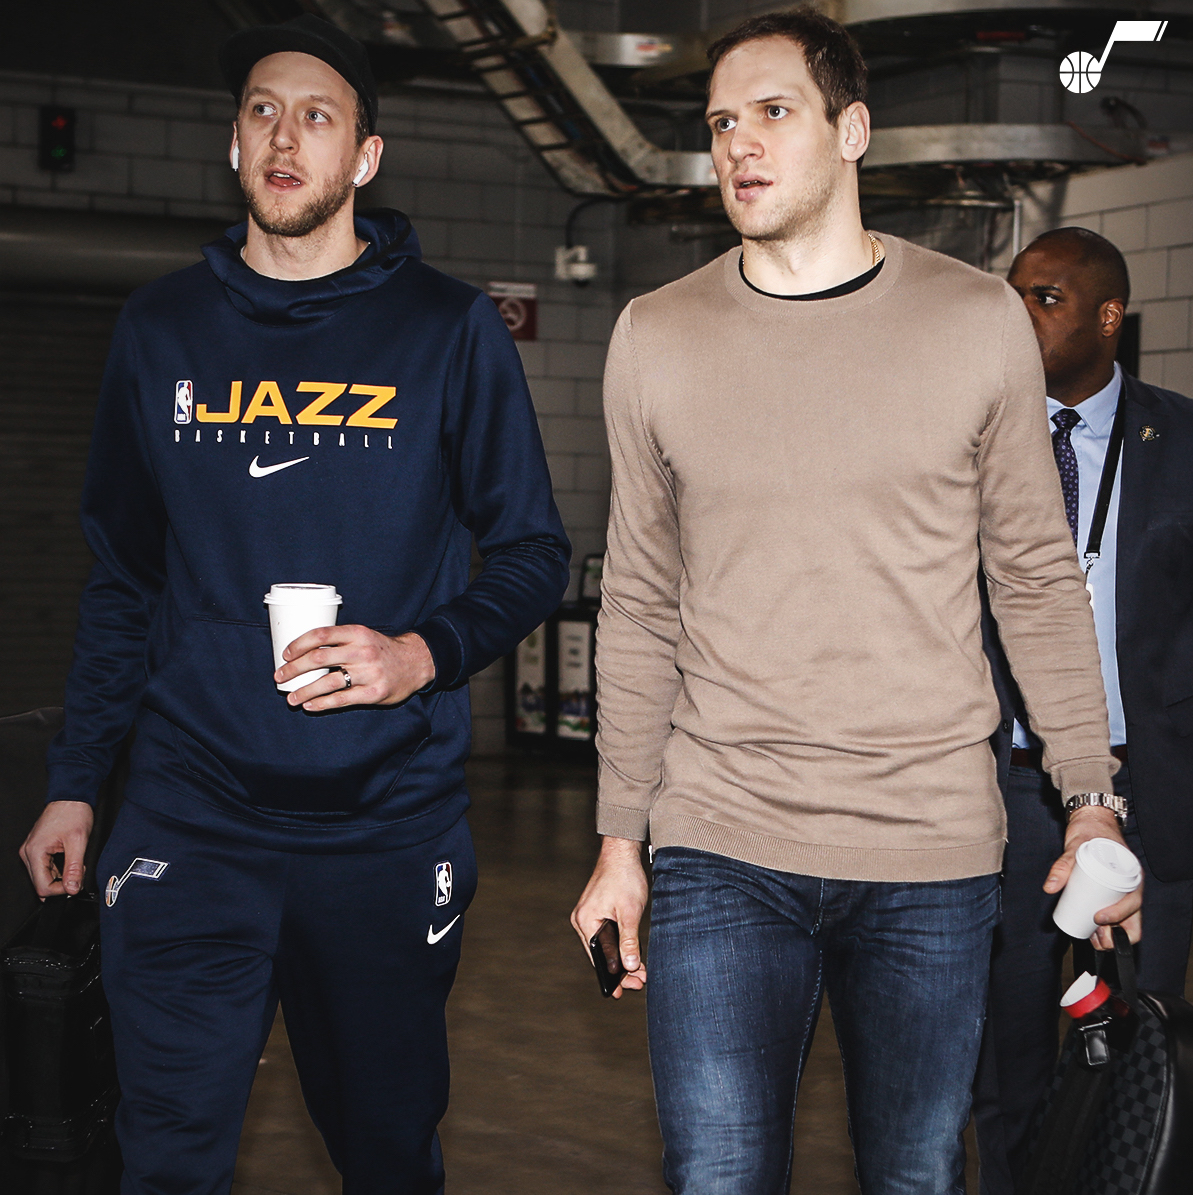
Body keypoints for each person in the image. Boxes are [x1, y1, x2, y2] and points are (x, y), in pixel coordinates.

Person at [570, 10, 1140, 1193]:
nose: (739, 143)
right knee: (716, 1173)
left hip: (927, 846)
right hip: (719, 835)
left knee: (915, 1174)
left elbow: (1032, 573)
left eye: (773, 112)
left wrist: (1088, 798)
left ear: (852, 130)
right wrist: (620, 840)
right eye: (722, 121)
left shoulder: (972, 319)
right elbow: (636, 602)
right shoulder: (654, 335)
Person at [19, 14, 569, 1195]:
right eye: (262, 110)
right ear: (231, 145)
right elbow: (123, 578)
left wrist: (423, 653)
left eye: (317, 115)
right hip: (189, 816)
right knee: (162, 1151)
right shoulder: (160, 330)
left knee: (383, 1150)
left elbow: (531, 552)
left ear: (363, 158)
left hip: (382, 826)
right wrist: (75, 781)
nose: (284, 135)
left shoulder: (447, 330)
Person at [973, 227, 1193, 1195]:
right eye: (1013, 294)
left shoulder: (1180, 440)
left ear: (1109, 317)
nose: (1022, 315)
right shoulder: (975, 441)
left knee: (1140, 1037)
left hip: (1147, 783)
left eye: (1046, 298)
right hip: (1010, 788)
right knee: (1005, 1045)